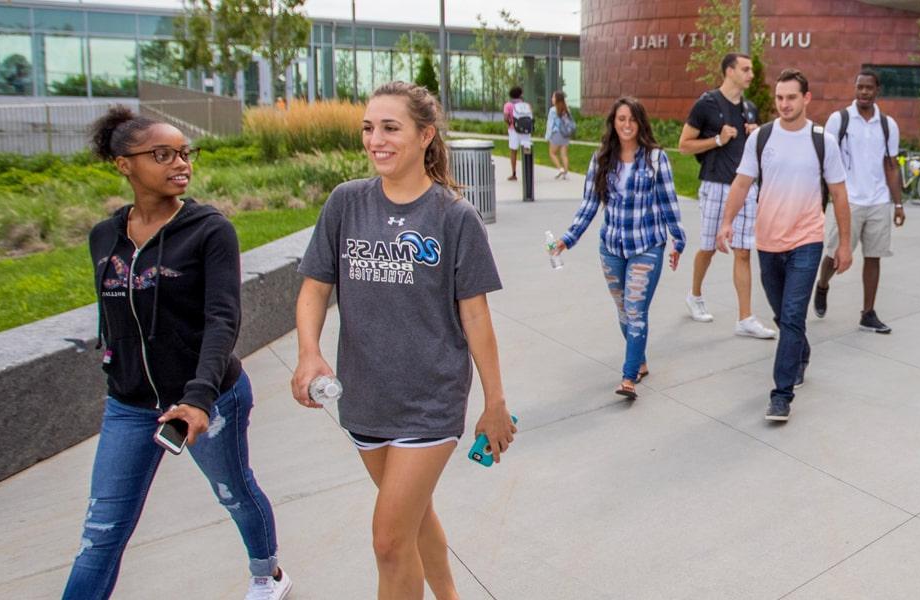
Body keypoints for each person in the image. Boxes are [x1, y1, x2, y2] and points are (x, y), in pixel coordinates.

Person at [291, 82, 516, 600]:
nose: (376, 139)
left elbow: (476, 316)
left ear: (425, 135)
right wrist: (309, 353)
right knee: (414, 520)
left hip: (429, 399)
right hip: (365, 399)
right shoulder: (346, 203)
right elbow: (314, 288)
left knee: (389, 541)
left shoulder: (453, 217)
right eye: (369, 128)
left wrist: (495, 401)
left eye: (390, 127)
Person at [67, 106, 291, 600]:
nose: (180, 163)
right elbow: (116, 318)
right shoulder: (104, 237)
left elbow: (222, 320)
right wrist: (115, 367)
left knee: (233, 491)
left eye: (185, 153)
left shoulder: (210, 230)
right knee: (101, 533)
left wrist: (198, 398)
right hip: (128, 405)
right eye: (162, 154)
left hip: (208, 397)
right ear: (124, 164)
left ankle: (267, 573)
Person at [718, 68, 852, 423]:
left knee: (793, 315)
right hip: (768, 241)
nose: (784, 104)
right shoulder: (761, 138)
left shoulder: (822, 140)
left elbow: (839, 194)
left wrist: (845, 245)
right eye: (779, 97)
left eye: (791, 97)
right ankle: (801, 352)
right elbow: (742, 183)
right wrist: (727, 222)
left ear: (806, 99)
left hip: (807, 240)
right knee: (782, 315)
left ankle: (781, 395)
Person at [551, 97, 687, 399]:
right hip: (611, 247)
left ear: (640, 123)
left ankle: (628, 377)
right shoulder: (601, 158)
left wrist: (678, 239)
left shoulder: (655, 158)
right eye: (621, 119)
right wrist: (568, 238)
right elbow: (589, 205)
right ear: (614, 122)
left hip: (647, 245)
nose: (626, 125)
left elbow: (668, 202)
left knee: (636, 311)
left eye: (632, 119)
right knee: (624, 312)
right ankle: (639, 360)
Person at [681, 52, 776, 339]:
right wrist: (718, 139)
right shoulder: (706, 104)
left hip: (745, 187)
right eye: (745, 69)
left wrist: (757, 133)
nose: (751, 74)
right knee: (709, 247)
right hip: (715, 184)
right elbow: (684, 145)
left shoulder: (750, 109)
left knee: (744, 251)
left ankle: (745, 318)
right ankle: (695, 295)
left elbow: (759, 151)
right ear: (729, 71)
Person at [814, 69, 904, 333]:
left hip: (878, 200)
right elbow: (825, 163)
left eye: (869, 88)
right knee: (834, 254)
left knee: (874, 256)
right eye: (860, 87)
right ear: (855, 89)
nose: (864, 92)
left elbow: (891, 165)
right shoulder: (839, 120)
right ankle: (822, 285)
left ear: (877, 90)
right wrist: (822, 200)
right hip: (847, 199)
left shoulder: (888, 125)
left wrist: (898, 204)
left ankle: (868, 313)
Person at [503, 86, 534, 182]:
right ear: (520, 94)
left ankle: (514, 173)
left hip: (514, 130)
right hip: (525, 130)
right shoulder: (526, 105)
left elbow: (505, 117)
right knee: (527, 150)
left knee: (513, 151)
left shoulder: (508, 105)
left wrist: (510, 124)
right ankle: (528, 172)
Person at [546, 90, 575, 180]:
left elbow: (550, 124)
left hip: (556, 133)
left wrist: (548, 136)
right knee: (564, 154)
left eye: (553, 97)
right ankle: (565, 173)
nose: (552, 99)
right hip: (565, 134)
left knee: (552, 153)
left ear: (557, 99)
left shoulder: (553, 110)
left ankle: (560, 169)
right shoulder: (566, 109)